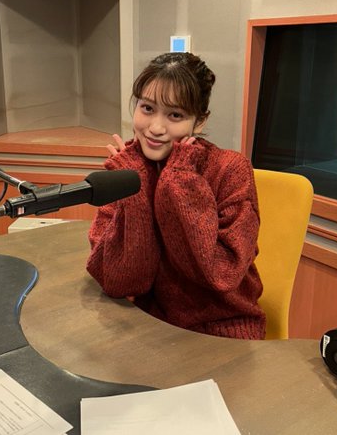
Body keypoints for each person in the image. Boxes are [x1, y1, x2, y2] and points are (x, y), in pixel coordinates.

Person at [86, 52, 265, 340]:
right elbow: (120, 281)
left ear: (200, 121)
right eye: (147, 108)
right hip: (150, 327)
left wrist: (179, 179)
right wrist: (134, 188)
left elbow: (219, 274)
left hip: (223, 330)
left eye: (175, 115)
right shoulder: (128, 168)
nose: (156, 128)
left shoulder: (231, 170)